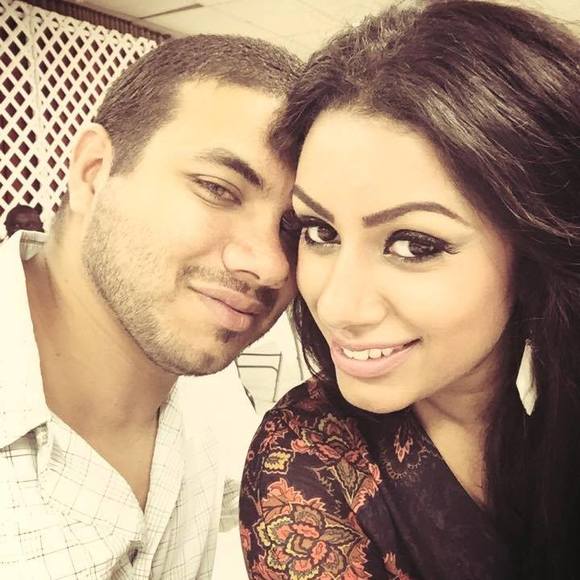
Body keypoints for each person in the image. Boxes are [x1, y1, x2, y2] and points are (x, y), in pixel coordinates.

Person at [240, 1, 580, 578]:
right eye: (320, 232)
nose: (338, 306)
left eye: (414, 245)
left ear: (533, 253)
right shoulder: (306, 460)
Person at [0, 34, 301, 578]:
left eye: (296, 227)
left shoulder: (216, 397)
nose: (271, 266)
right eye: (218, 189)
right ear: (94, 171)